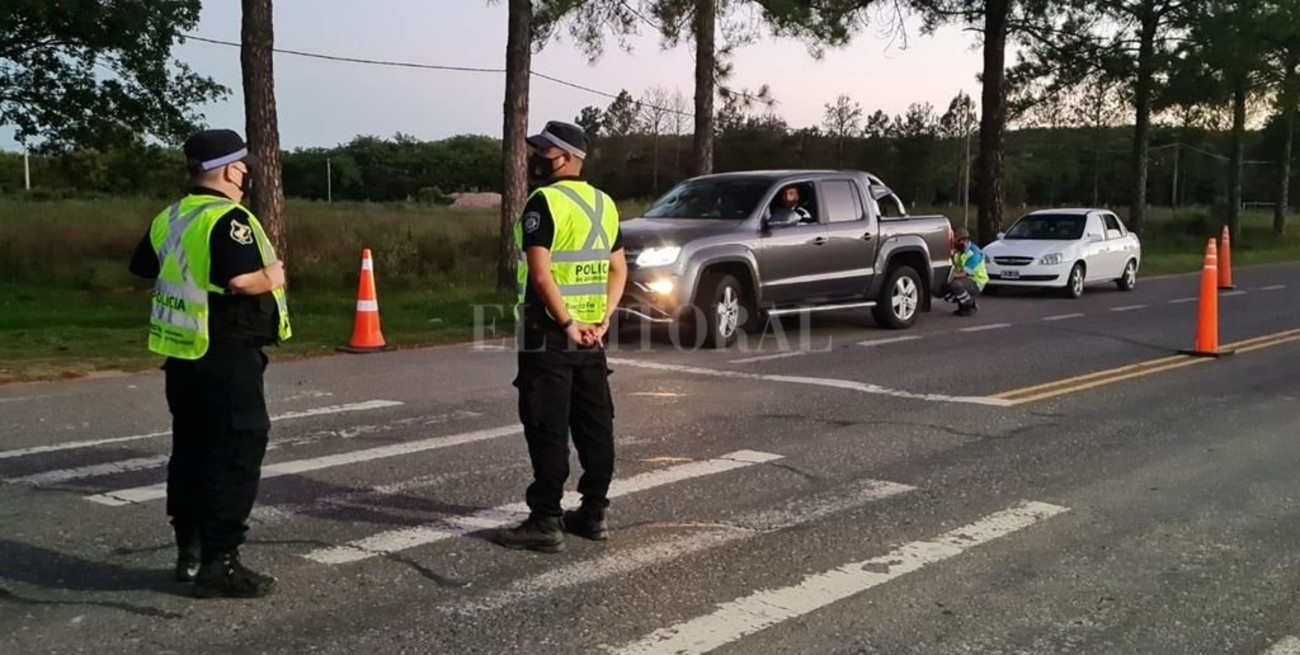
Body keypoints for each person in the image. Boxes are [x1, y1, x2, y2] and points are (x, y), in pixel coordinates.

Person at [128, 128, 291, 598]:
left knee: (192, 452)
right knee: (236, 453)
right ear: (230, 169)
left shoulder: (171, 217)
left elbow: (146, 267)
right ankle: (221, 562)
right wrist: (272, 275)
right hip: (226, 350)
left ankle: (190, 552)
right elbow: (241, 282)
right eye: (245, 167)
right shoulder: (228, 218)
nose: (247, 175)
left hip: (182, 354)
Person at [491, 121, 627, 554]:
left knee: (547, 424)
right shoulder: (604, 204)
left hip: (550, 333)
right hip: (593, 336)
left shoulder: (543, 202)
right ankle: (593, 513)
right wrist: (603, 319)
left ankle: (546, 520)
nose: (538, 159)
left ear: (567, 157)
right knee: (594, 424)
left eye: (545, 153)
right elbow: (619, 269)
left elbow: (540, 272)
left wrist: (567, 323)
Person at [944, 227, 988, 316]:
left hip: (976, 281)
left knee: (955, 285)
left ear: (964, 240)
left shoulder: (974, 253)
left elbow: (965, 273)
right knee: (946, 290)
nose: (955, 244)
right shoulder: (959, 251)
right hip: (964, 280)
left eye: (956, 241)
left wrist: (948, 276)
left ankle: (970, 304)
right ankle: (963, 306)